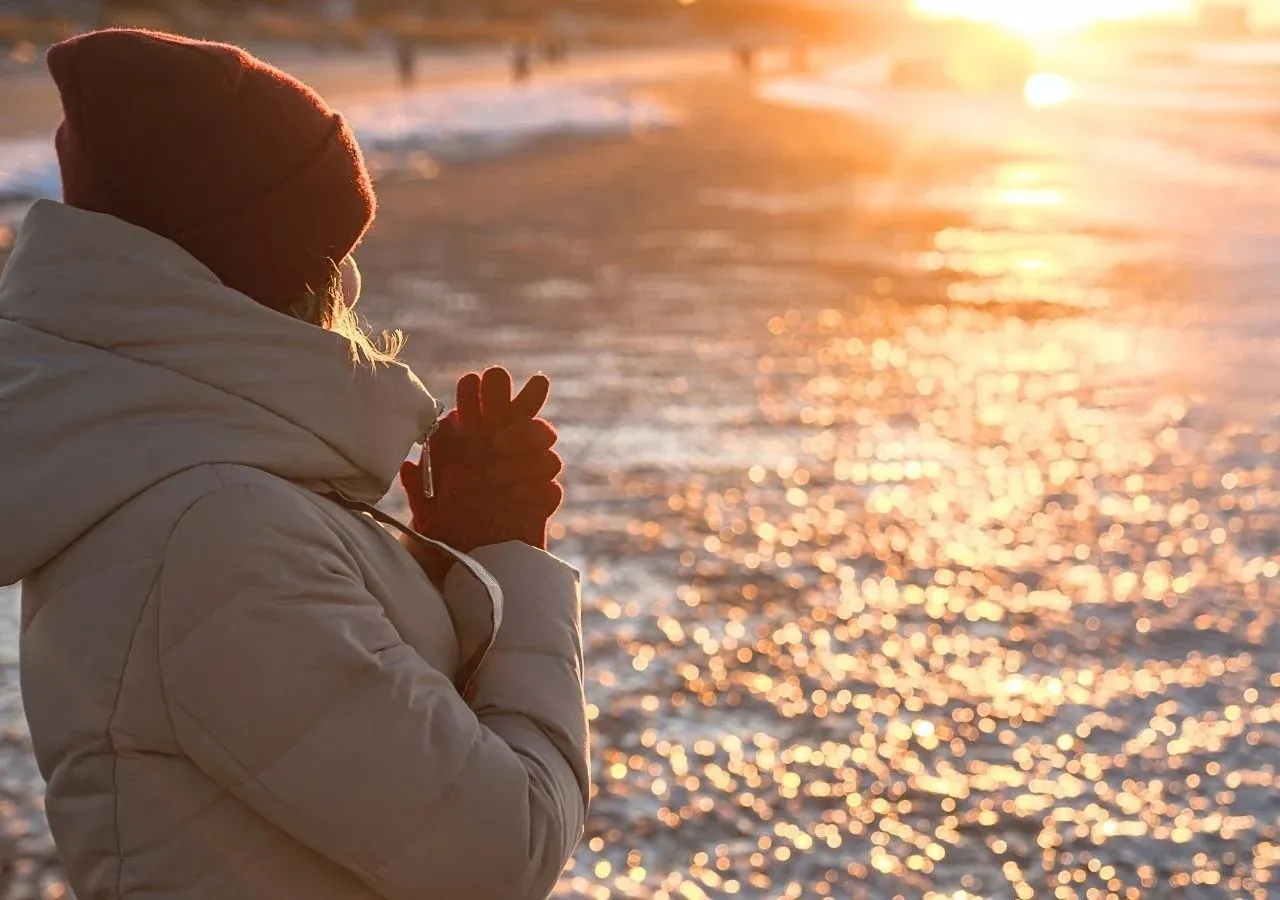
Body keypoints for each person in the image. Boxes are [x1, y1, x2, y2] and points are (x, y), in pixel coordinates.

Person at [0, 28, 589, 900]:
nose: (348, 291)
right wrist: (514, 564)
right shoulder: (214, 538)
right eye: (333, 258)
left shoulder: (177, 478)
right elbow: (507, 848)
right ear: (269, 273)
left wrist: (449, 571)